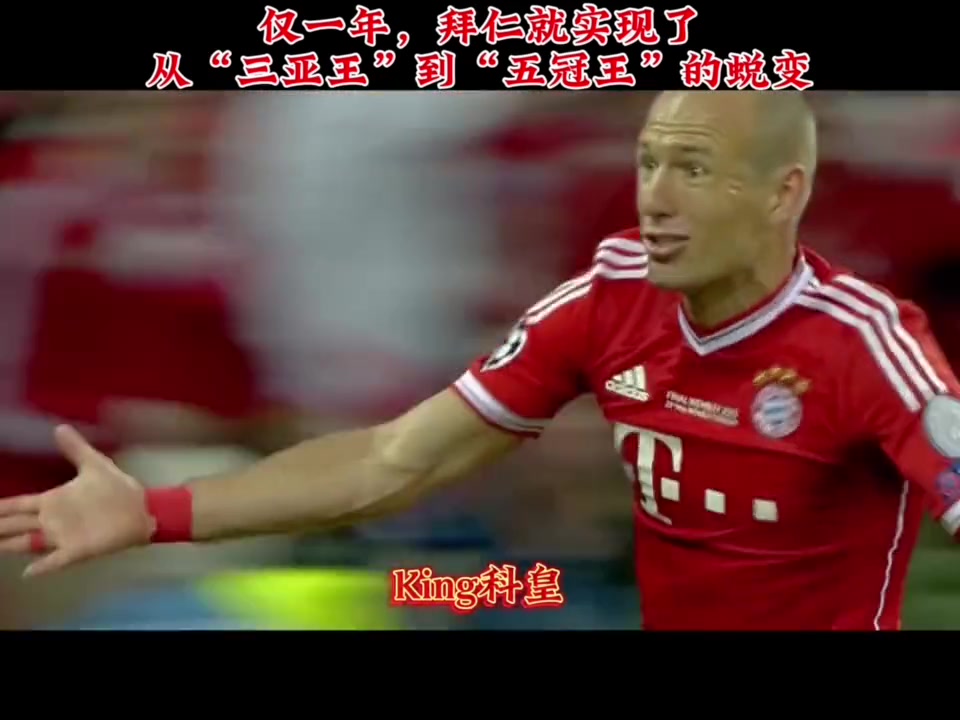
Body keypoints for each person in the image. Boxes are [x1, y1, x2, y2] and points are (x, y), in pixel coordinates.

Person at [0, 90, 958, 631]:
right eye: (650, 168)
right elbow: (392, 460)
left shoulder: (866, 344)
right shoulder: (595, 309)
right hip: (563, 592)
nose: (659, 199)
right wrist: (157, 512)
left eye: (695, 173)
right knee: (350, 604)